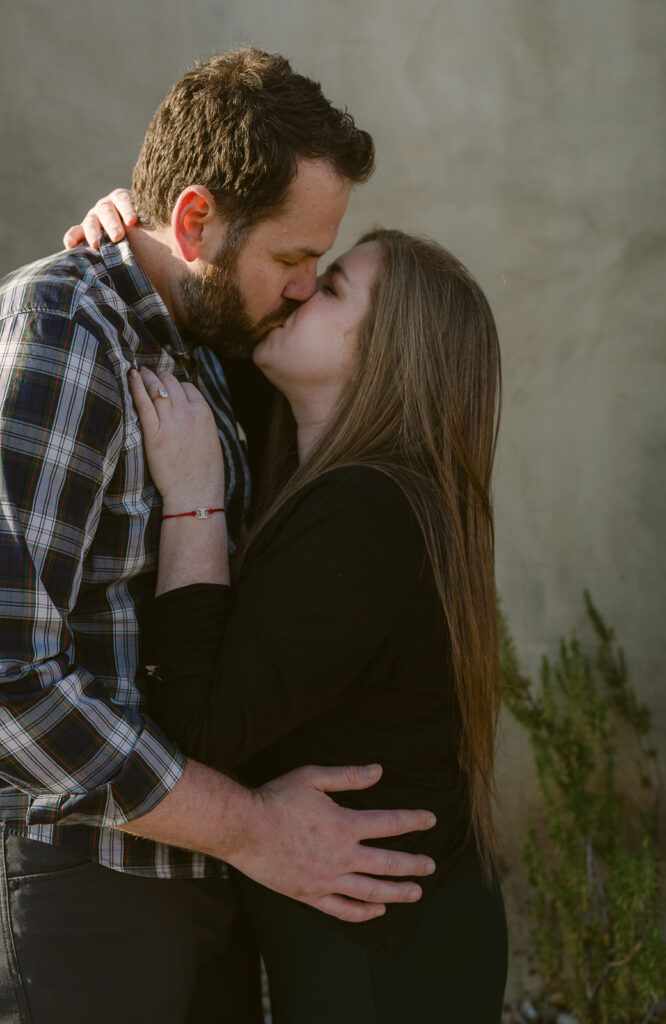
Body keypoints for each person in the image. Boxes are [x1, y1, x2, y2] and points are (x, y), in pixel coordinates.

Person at [0, 50, 437, 1024]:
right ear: (195, 220)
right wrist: (252, 829)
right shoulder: (62, 327)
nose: (304, 289)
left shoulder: (206, 350)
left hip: (195, 888)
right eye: (291, 258)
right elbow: (1, 674)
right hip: (77, 888)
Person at [126, 228, 508, 1023]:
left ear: (385, 356)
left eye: (330, 288)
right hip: (369, 930)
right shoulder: (327, 472)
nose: (298, 290)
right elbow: (202, 289)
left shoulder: (367, 512)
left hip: (384, 954)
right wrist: (138, 225)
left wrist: (194, 495)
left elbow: (196, 725)